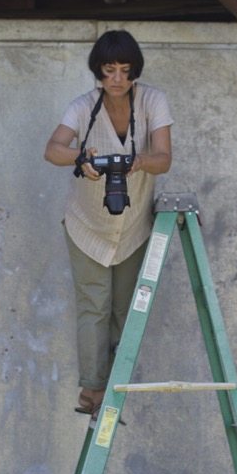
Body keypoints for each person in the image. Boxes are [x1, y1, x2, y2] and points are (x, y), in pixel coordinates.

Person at [43, 30, 173, 417]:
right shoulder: (83, 107)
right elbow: (52, 150)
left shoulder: (153, 101)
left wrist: (138, 161)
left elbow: (164, 158)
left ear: (135, 71)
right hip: (87, 223)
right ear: (98, 71)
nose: (117, 79)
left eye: (125, 70)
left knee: (126, 308)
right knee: (93, 307)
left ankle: (117, 383)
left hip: (133, 223)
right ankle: (93, 389)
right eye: (109, 70)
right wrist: (81, 158)